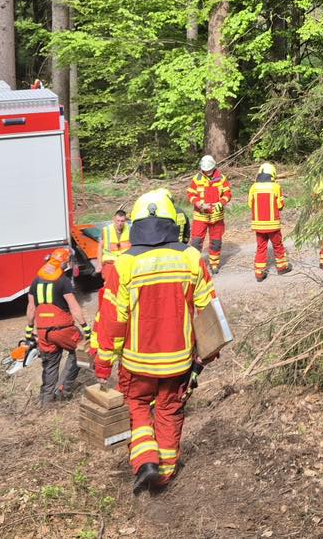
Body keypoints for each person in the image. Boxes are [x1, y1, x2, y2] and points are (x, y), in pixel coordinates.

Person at [94, 189, 216, 495]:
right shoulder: (191, 257)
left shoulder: (124, 263)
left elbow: (112, 318)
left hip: (137, 363)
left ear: (135, 224)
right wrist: (207, 354)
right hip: (179, 361)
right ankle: (164, 475)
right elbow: (207, 310)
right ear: (171, 221)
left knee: (137, 406)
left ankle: (146, 462)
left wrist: (103, 363)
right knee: (169, 411)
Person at [25, 247, 90, 405]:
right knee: (81, 351)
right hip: (62, 329)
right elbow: (74, 307)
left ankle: (46, 401)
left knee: (50, 364)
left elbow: (31, 308)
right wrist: (86, 329)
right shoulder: (63, 281)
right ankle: (62, 390)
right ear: (65, 263)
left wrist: (28, 331)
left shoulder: (35, 281)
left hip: (43, 332)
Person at [88, 210, 131, 366]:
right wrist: (99, 263)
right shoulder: (106, 231)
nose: (120, 223)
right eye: (118, 221)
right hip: (110, 265)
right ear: (114, 219)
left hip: (124, 265)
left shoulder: (130, 229)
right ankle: (108, 316)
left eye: (122, 221)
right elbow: (100, 247)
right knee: (109, 296)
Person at [186, 155, 232, 272]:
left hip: (217, 216)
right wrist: (199, 204)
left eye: (209, 170)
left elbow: (227, 194)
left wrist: (221, 203)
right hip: (200, 216)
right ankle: (195, 264)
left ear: (214, 167)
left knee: (216, 241)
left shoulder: (221, 179)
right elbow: (190, 195)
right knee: (196, 241)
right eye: (205, 170)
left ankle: (214, 264)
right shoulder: (197, 179)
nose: (207, 172)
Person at [248, 162, 289, 282]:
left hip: (258, 225)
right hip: (273, 225)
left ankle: (259, 274)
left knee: (261, 247)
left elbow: (250, 204)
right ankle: (282, 268)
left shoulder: (253, 187)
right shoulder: (276, 187)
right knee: (277, 245)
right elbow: (280, 205)